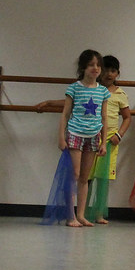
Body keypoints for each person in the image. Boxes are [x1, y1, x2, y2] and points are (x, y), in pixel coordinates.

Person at [57, 49, 110, 227]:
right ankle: (70, 215)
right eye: (91, 65)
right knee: (74, 174)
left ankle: (80, 215)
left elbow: (104, 118)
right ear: (83, 68)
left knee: (85, 177)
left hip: (93, 135)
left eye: (98, 65)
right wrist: (61, 137)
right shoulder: (74, 88)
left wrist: (103, 141)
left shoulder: (103, 91)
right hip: (75, 133)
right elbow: (65, 114)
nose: (95, 68)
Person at [89, 55, 132, 223]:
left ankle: (99, 213)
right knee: (87, 176)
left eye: (113, 71)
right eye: (106, 70)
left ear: (117, 73)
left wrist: (119, 135)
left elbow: (127, 118)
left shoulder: (120, 94)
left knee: (103, 178)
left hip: (109, 141)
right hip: (91, 138)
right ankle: (83, 212)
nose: (108, 74)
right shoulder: (93, 89)